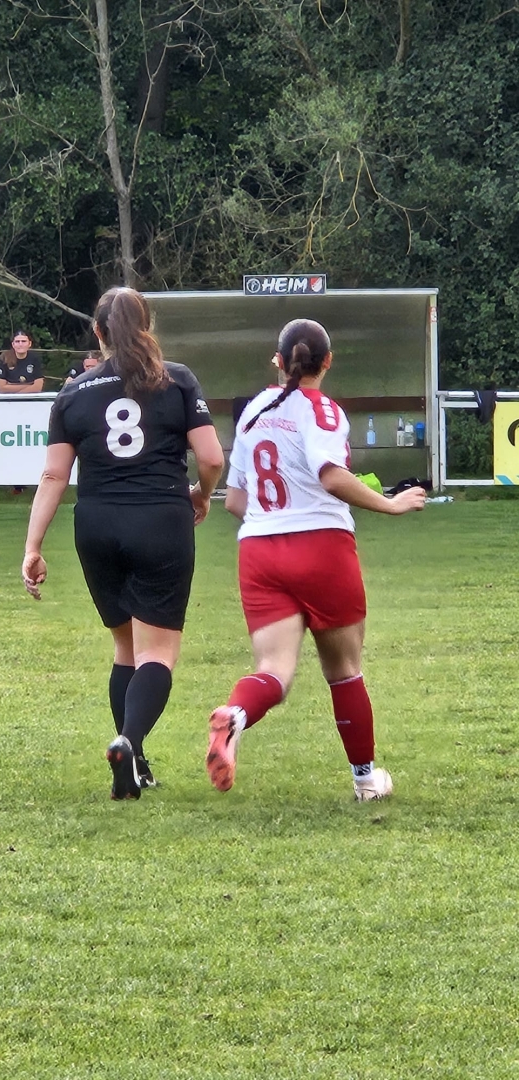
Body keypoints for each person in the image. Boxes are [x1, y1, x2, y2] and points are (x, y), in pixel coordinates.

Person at [205, 318, 426, 803]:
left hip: (259, 551)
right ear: (327, 362)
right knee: (344, 670)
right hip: (321, 547)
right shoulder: (322, 409)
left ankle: (236, 715)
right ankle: (366, 780)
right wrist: (390, 504)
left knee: (273, 670)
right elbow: (330, 475)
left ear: (277, 360)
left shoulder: (252, 410)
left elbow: (235, 501)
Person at [21, 286, 224, 800]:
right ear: (147, 325)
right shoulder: (178, 379)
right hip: (160, 519)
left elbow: (53, 476)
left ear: (98, 332)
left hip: (96, 524)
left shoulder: (72, 393)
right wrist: (201, 494)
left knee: (125, 646)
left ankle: (137, 765)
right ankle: (129, 742)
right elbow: (211, 458)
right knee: (158, 651)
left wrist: (33, 546)